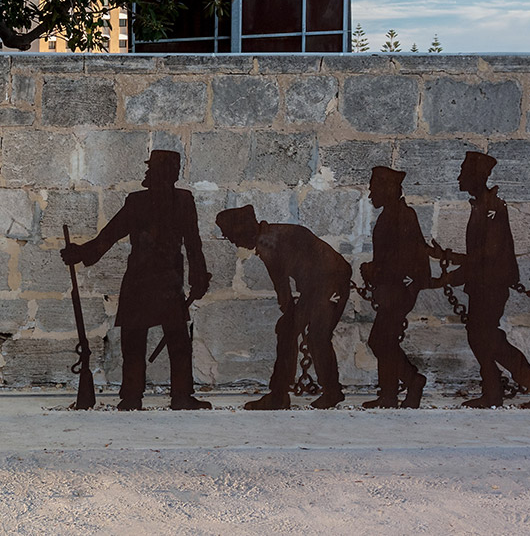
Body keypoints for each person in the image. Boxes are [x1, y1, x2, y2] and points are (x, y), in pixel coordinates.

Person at [60, 150, 211, 411]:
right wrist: (81, 253)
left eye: (154, 169)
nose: (149, 173)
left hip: (162, 281)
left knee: (173, 341)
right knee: (141, 341)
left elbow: (193, 243)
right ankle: (136, 396)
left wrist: (198, 276)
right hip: (146, 281)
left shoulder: (180, 201)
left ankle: (171, 396)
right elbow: (110, 235)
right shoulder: (142, 202)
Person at [432, 151, 530, 408]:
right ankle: (499, 390)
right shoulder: (482, 206)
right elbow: (479, 254)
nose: (459, 178)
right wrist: (446, 256)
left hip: (491, 286)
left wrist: (450, 277)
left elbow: (487, 256)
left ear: (477, 176)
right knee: (482, 337)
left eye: (463, 173)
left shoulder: (492, 208)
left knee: (484, 337)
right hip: (483, 285)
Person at [216, 205, 350, 410]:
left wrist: (288, 311)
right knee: (297, 333)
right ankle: (289, 394)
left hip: (329, 284)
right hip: (320, 286)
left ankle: (297, 394)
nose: (233, 241)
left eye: (231, 236)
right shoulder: (273, 234)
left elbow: (282, 285)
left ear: (241, 229)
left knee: (315, 337)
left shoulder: (267, 242)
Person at [360, 166, 436, 408]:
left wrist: (375, 271)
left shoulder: (402, 215)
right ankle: (389, 394)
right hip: (391, 290)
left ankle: (413, 380)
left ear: (388, 189)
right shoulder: (392, 214)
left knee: (380, 341)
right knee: (385, 341)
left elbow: (404, 259)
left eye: (374, 188)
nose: (371, 194)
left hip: (398, 291)